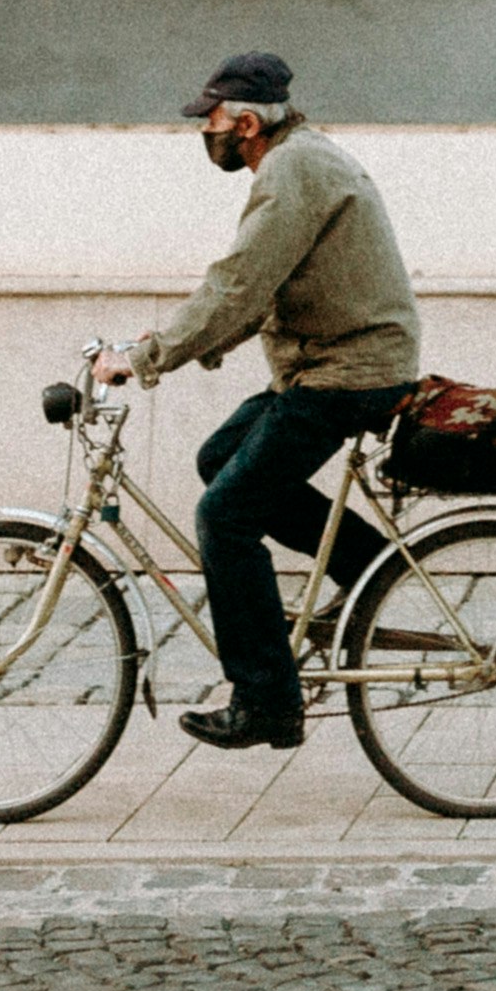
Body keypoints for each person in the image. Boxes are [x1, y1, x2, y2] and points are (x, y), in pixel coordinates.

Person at [89, 48, 420, 752]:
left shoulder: (294, 169)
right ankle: (369, 571)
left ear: (244, 122)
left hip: (347, 372)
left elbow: (238, 282)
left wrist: (147, 358)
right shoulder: (299, 159)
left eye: (208, 119)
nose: (203, 132)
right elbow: (260, 290)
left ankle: (267, 699)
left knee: (225, 514)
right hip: (328, 365)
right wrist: (177, 342)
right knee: (221, 459)